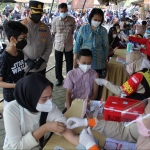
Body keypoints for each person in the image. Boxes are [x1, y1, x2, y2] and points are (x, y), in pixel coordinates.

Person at [3, 73, 80, 149]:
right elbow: (17, 146)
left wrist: (86, 145)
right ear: (31, 97)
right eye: (44, 98)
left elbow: (64, 128)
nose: (49, 102)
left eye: (50, 96)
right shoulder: (11, 110)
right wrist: (45, 128)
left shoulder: (49, 107)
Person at [66, 98, 150, 150]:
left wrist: (91, 147)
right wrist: (87, 122)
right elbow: (124, 130)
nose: (139, 117)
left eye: (145, 116)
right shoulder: (146, 129)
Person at [73, 8, 109, 78]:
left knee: (97, 83)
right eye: (95, 20)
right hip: (84, 61)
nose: (97, 22)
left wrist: (106, 61)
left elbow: (106, 47)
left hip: (99, 63)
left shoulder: (103, 31)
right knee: (84, 82)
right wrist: (75, 60)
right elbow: (77, 45)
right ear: (90, 18)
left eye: (99, 20)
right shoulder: (83, 29)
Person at [0, 21, 27, 108]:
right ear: (12, 38)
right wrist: (16, 85)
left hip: (22, 95)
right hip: (11, 99)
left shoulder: (20, 53)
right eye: (22, 38)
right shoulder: (4, 58)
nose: (25, 41)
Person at [22, 0, 53, 76]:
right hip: (25, 67)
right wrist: (26, 60)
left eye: (40, 14)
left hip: (41, 67)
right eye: (36, 13)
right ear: (29, 11)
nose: (38, 16)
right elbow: (16, 46)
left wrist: (43, 59)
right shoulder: (21, 27)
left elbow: (49, 45)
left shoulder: (45, 28)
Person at [52, 3, 76, 86]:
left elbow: (73, 31)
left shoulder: (72, 20)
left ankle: (69, 79)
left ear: (67, 10)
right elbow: (54, 32)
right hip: (58, 45)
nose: (63, 12)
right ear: (58, 11)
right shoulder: (55, 20)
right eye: (61, 11)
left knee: (69, 63)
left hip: (69, 45)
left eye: (65, 11)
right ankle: (59, 79)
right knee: (58, 63)